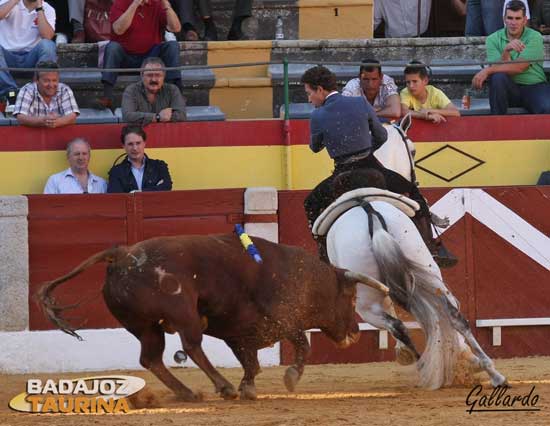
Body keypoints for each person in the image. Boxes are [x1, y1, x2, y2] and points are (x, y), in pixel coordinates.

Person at [301, 65, 457, 268]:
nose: (309, 99)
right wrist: (365, 148)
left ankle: (324, 257)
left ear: (320, 89)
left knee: (310, 204)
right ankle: (433, 247)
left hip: (343, 173)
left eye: (309, 93)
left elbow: (315, 147)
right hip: (372, 166)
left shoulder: (317, 115)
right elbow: (382, 136)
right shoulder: (360, 103)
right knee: (413, 192)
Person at [96, 0, 182, 110]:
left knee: (172, 46)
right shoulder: (120, 2)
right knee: (112, 47)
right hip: (125, 57)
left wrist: (167, 5)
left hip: (151, 57)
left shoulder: (157, 4)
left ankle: (176, 95)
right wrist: (135, 4)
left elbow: (176, 28)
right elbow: (118, 30)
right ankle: (107, 96)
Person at [472, 0, 550, 114]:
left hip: (534, 86)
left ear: (524, 20)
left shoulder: (534, 36)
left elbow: (520, 67)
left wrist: (487, 70)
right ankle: (498, 126)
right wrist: (506, 51)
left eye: (518, 18)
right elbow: (498, 70)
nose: (513, 22)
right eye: (510, 18)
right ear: (504, 19)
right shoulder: (493, 39)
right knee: (498, 77)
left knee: (546, 108)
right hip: (509, 89)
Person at [0, 0, 56, 109]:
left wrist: (39, 8)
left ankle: (40, 91)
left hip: (31, 59)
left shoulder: (48, 9)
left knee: (48, 45)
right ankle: (10, 93)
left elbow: (47, 36)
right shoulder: (7, 2)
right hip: (7, 58)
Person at [13, 61, 79, 128]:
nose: (51, 85)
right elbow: (20, 117)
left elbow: (72, 116)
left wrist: (56, 122)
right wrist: (42, 121)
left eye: (54, 80)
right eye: (46, 81)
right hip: (32, 136)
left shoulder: (64, 90)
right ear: (36, 80)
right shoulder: (27, 90)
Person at [107, 124, 173, 192]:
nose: (135, 148)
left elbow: (167, 187)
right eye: (130, 144)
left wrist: (139, 193)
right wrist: (155, 188)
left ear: (144, 143)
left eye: (138, 143)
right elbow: (117, 198)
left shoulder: (159, 166)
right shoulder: (116, 172)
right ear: (123, 146)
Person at [121, 56, 187, 124]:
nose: (153, 79)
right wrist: (157, 117)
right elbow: (127, 117)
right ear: (142, 75)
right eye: (149, 75)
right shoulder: (131, 90)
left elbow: (182, 116)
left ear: (164, 76)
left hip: (165, 132)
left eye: (158, 75)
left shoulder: (172, 90)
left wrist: (144, 118)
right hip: (140, 133)